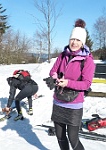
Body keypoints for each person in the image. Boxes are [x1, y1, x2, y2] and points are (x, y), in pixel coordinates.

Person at [43, 19, 95, 150]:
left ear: (82, 42)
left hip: (74, 105)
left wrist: (68, 83)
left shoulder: (87, 60)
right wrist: (55, 78)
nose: (74, 42)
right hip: (59, 101)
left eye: (78, 40)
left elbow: (86, 84)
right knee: (60, 136)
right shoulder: (63, 55)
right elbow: (53, 71)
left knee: (73, 139)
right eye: (72, 39)